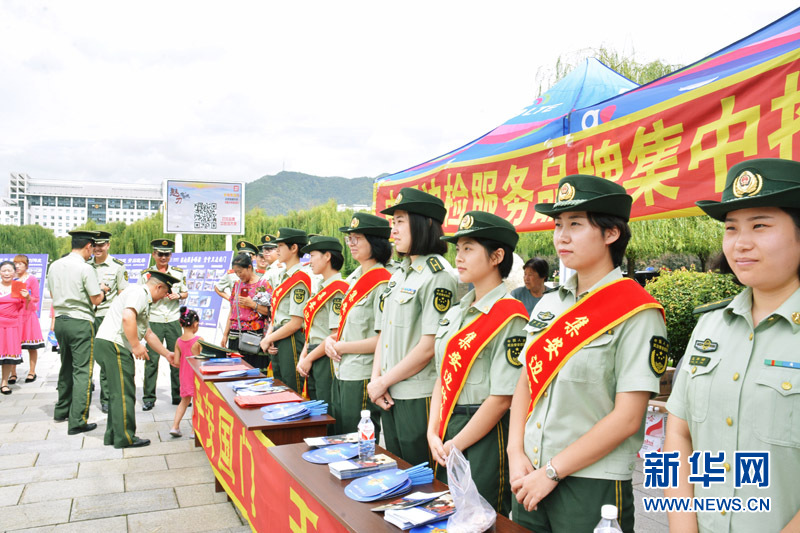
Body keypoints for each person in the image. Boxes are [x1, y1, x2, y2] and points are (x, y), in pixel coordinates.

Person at [507, 175, 667, 533]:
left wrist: (552, 471)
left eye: (575, 224)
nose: (561, 237)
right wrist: (515, 453)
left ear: (611, 234)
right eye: (558, 225)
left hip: (591, 483)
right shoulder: (549, 304)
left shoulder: (637, 312)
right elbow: (526, 382)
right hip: (528, 474)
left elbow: (628, 418)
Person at [664, 158, 800, 533]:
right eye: (731, 228)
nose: (740, 243)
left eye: (760, 225)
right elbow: (679, 434)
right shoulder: (709, 326)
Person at [426, 211, 529, 515]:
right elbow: (442, 376)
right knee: (449, 515)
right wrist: (433, 431)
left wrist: (456, 443)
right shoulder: (456, 312)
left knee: (483, 517)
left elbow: (502, 398)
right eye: (458, 249)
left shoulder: (510, 316)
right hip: (446, 430)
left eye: (468, 248)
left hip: (485, 434)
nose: (458, 257)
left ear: (497, 256)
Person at [368, 187, 458, 466]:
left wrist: (383, 381)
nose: (393, 231)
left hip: (417, 396)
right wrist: (376, 380)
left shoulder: (439, 276)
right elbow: (384, 334)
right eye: (392, 222)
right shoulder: (399, 274)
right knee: (397, 469)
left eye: (400, 221)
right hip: (388, 391)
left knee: (421, 476)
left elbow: (429, 347)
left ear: (425, 224)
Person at [324, 213, 393, 436]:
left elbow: (383, 339)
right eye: (349, 239)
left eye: (357, 238)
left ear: (375, 242)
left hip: (362, 375)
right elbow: (347, 329)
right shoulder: (354, 280)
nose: (351, 244)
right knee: (340, 435)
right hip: (341, 371)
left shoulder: (383, 282)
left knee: (358, 441)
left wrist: (342, 347)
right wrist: (330, 341)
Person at [96, 270, 179, 448]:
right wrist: (135, 345)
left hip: (107, 344)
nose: (164, 297)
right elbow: (128, 317)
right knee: (124, 393)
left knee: (117, 392)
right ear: (159, 287)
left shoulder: (141, 297)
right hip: (115, 345)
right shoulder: (139, 293)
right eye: (164, 293)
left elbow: (148, 334)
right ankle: (125, 438)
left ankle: (113, 435)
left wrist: (167, 354)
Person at [47, 230, 105, 434]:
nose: (93, 252)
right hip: (80, 321)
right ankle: (78, 420)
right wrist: (103, 290)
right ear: (88, 246)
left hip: (61, 321)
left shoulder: (55, 265)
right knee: (82, 371)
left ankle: (61, 410)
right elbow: (96, 299)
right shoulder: (85, 268)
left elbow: (52, 293)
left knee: (66, 366)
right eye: (92, 248)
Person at [296, 236, 348, 406]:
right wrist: (304, 356)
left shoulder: (338, 290)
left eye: (312, 255)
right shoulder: (321, 287)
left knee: (327, 407)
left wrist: (308, 358)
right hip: (313, 353)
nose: (309, 261)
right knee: (315, 406)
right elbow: (312, 328)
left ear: (327, 256)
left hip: (326, 356)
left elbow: (335, 334)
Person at [138, 238, 188, 410]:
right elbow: (140, 295)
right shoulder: (146, 275)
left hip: (173, 319)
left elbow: (185, 292)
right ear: (154, 254)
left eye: (167, 254)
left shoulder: (178, 273)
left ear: (171, 255)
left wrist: (178, 296)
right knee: (152, 360)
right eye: (160, 254)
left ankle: (178, 395)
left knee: (177, 358)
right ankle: (149, 397)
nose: (163, 258)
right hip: (154, 320)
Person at [259, 228, 311, 392]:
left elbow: (295, 323)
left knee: (292, 388)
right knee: (279, 386)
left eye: (280, 246)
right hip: (278, 335)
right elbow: (276, 314)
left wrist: (269, 338)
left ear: (294, 248)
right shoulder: (282, 275)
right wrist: (270, 337)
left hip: (291, 338)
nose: (277, 250)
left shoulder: (300, 278)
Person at [88, 231, 128, 413]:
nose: (98, 248)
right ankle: (84, 396)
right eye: (94, 245)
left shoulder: (117, 266)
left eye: (101, 245)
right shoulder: (85, 266)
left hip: (107, 317)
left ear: (108, 245)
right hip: (87, 316)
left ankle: (106, 398)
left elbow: (122, 294)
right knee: (86, 358)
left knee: (106, 359)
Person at [221, 252, 271, 369]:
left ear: (249, 267)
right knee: (236, 370)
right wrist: (225, 335)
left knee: (255, 371)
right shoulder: (237, 285)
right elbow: (232, 311)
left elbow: (270, 312)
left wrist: (252, 304)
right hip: (235, 335)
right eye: (236, 272)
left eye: (240, 271)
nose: (239, 275)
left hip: (254, 337)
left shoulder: (263, 285)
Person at [170, 306, 202, 438]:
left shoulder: (178, 341)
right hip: (196, 376)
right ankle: (194, 430)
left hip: (184, 376)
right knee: (197, 403)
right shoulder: (198, 340)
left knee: (184, 401)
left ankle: (175, 426)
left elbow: (176, 362)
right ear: (195, 324)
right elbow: (203, 359)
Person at [13, 254, 44, 384]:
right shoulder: (11, 279)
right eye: (16, 263)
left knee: (31, 345)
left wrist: (28, 297)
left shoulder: (31, 279)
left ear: (26, 266)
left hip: (28, 314)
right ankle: (12, 373)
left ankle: (32, 371)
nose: (17, 266)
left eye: (20, 263)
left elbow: (36, 298)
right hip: (14, 315)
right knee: (13, 345)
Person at [1, 261, 30, 394]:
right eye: (4, 270)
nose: (6, 273)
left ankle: (4, 383)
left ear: (14, 272)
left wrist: (27, 298)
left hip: (11, 326)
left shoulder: (19, 287)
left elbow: (26, 308)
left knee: (8, 356)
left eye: (9, 270)